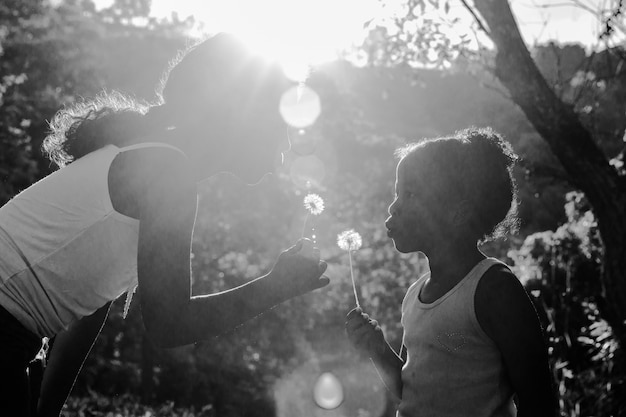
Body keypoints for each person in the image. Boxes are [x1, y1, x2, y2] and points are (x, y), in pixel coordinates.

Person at [0, 33, 329, 416]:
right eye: (282, 122)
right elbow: (169, 324)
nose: (287, 143)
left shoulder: (151, 158)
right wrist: (274, 287)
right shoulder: (167, 172)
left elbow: (87, 309)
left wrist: (45, 410)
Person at [345, 127, 556, 417]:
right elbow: (411, 392)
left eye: (410, 193)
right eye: (397, 193)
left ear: (458, 212)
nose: (394, 206)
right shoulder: (414, 296)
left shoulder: (494, 289)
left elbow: (539, 400)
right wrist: (378, 350)